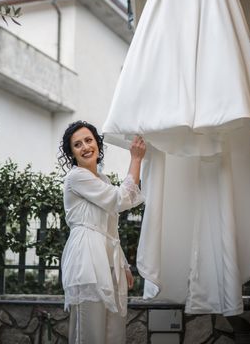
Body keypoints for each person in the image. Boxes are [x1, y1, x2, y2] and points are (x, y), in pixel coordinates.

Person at [59, 120, 146, 344]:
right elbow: (121, 199)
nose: (85, 147)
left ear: (97, 144)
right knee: (91, 330)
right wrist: (136, 159)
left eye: (89, 140)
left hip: (107, 257)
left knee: (113, 329)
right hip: (87, 256)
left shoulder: (103, 180)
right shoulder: (76, 177)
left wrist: (124, 264)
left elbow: (109, 228)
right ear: (72, 153)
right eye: (77, 144)